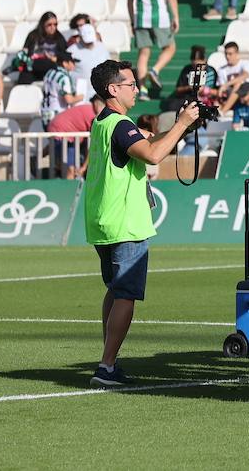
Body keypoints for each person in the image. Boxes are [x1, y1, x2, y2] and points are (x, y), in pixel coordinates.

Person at [83, 60, 200, 387]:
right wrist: (182, 125)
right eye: (131, 84)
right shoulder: (120, 123)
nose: (137, 89)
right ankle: (107, 366)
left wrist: (181, 126)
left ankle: (109, 359)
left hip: (104, 220)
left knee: (115, 290)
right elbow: (151, 154)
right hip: (125, 221)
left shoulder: (104, 122)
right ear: (113, 89)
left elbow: (147, 142)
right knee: (126, 295)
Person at [127, 0, 178, 95]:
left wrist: (132, 21)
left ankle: (142, 89)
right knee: (170, 47)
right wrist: (175, 17)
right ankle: (155, 70)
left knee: (143, 54)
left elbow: (129, 1)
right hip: (159, 18)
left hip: (141, 19)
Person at [12, 11, 68, 84]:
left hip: (50, 68)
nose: (53, 27)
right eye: (49, 25)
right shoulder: (33, 36)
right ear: (43, 24)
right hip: (33, 67)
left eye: (55, 24)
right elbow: (26, 52)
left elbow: (64, 56)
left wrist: (52, 58)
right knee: (25, 74)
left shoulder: (59, 38)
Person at [41, 49, 83, 130]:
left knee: (51, 141)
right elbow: (69, 100)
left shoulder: (49, 73)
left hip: (45, 114)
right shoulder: (63, 77)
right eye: (72, 62)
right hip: (57, 114)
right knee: (61, 141)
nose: (74, 65)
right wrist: (80, 97)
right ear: (65, 63)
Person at [69, 19, 110, 90]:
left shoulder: (102, 47)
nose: (89, 43)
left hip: (100, 90)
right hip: (80, 92)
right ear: (80, 37)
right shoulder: (71, 51)